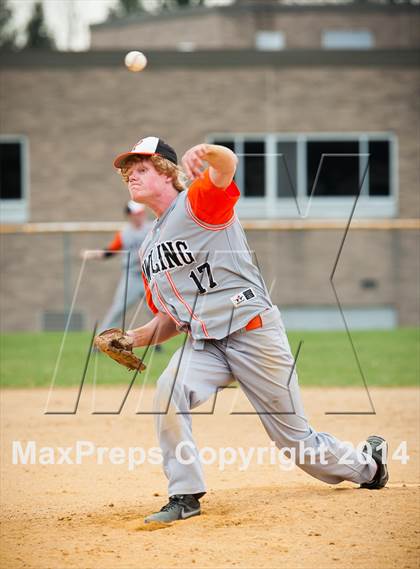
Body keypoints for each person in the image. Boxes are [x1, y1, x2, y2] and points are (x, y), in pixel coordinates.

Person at [112, 136, 388, 524]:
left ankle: (369, 467)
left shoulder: (198, 202)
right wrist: (134, 338)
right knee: (167, 391)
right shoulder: (148, 250)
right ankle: (185, 494)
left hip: (252, 331)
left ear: (168, 173)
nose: (131, 178)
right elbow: (172, 317)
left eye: (141, 169)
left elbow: (226, 166)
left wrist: (207, 150)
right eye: (128, 173)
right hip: (205, 343)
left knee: (295, 443)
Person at [82, 201, 154, 334]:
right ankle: (102, 338)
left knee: (155, 311)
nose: (140, 216)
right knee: (118, 308)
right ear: (129, 215)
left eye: (141, 213)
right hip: (131, 277)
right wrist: (93, 254)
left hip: (150, 276)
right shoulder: (124, 233)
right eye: (136, 214)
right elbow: (110, 251)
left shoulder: (153, 228)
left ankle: (155, 341)